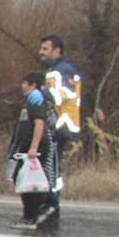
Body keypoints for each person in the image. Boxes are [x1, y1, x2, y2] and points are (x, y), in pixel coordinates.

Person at [38, 34, 81, 224]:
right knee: (50, 164)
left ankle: (52, 203)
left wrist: (43, 93)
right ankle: (49, 202)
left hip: (62, 125)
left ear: (57, 51)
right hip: (55, 125)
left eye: (45, 49)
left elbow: (67, 92)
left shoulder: (64, 69)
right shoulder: (53, 70)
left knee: (53, 165)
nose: (41, 52)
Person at [8, 71, 59, 229]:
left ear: (33, 85)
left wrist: (33, 148)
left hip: (35, 149)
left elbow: (39, 124)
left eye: (25, 83)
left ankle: (31, 216)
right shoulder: (31, 100)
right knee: (24, 180)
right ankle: (32, 214)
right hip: (26, 148)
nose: (22, 85)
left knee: (31, 182)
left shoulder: (36, 100)